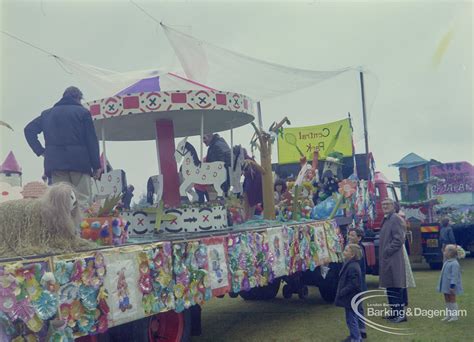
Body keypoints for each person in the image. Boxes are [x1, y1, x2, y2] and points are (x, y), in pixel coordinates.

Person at [24, 86, 101, 210]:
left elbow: (29, 130)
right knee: (82, 200)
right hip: (80, 163)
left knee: (60, 202)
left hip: (56, 164)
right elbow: (91, 140)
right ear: (78, 98)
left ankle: (62, 229)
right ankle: (80, 228)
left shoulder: (47, 114)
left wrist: (41, 151)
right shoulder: (83, 113)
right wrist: (96, 165)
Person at [379, 198, 407, 323]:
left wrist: (387, 251)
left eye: (387, 204)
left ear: (393, 206)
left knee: (396, 286)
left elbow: (399, 239)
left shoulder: (395, 218)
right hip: (387, 259)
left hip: (393, 258)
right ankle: (394, 312)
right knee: (390, 286)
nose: (385, 206)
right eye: (383, 204)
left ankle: (400, 314)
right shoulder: (386, 219)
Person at [335, 244, 363, 342]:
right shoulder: (350, 264)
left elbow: (354, 284)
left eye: (346, 251)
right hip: (350, 298)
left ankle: (356, 338)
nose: (344, 252)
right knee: (350, 318)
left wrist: (343, 291)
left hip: (351, 297)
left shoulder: (353, 267)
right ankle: (354, 336)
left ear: (352, 255)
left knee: (352, 319)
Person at [347, 228, 367, 339]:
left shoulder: (358, 250)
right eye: (349, 235)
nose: (350, 237)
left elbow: (358, 271)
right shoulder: (352, 248)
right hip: (357, 284)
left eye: (353, 235)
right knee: (358, 307)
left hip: (357, 285)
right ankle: (360, 331)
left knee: (356, 308)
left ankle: (357, 333)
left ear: (359, 238)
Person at [437, 244, 464, 322]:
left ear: (450, 253)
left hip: (451, 285)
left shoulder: (454, 263)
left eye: (445, 251)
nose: (444, 252)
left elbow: (454, 276)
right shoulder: (447, 262)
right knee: (447, 299)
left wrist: (452, 286)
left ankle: (454, 315)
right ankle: (448, 314)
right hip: (445, 285)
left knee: (452, 299)